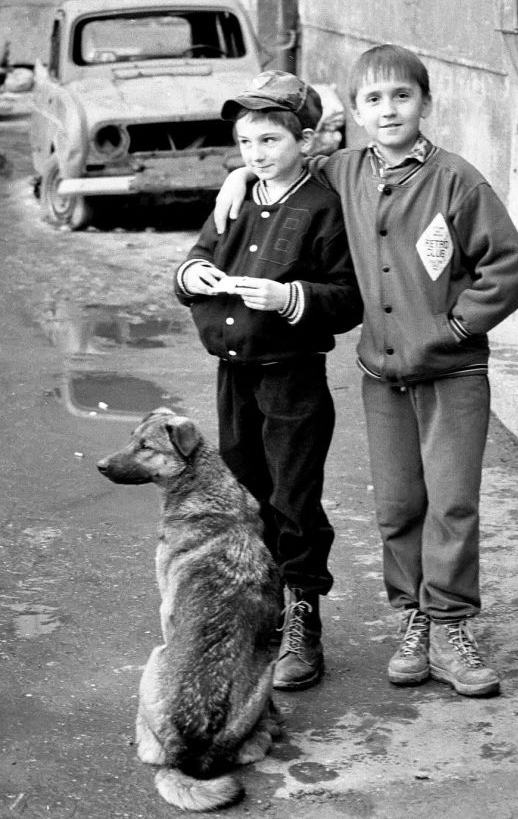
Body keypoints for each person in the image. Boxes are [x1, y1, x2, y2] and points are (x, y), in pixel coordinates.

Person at [213, 45, 518, 697]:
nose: (388, 110)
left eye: (401, 97)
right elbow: (280, 160)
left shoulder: (458, 181)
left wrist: (456, 327)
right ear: (354, 113)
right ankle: (413, 617)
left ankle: (449, 625)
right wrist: (238, 177)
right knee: (396, 505)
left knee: (450, 501)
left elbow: (510, 266)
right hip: (381, 376)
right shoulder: (343, 171)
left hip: (453, 374)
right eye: (373, 99)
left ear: (425, 103)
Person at [174, 70, 363, 692]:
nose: (256, 154)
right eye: (246, 143)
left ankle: (304, 620)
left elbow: (348, 298)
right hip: (236, 375)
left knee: (293, 498)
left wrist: (289, 297)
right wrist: (194, 276)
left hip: (292, 378)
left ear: (305, 141)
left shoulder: (321, 208)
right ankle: (264, 610)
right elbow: (199, 255)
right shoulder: (236, 199)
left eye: (271, 141)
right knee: (248, 493)